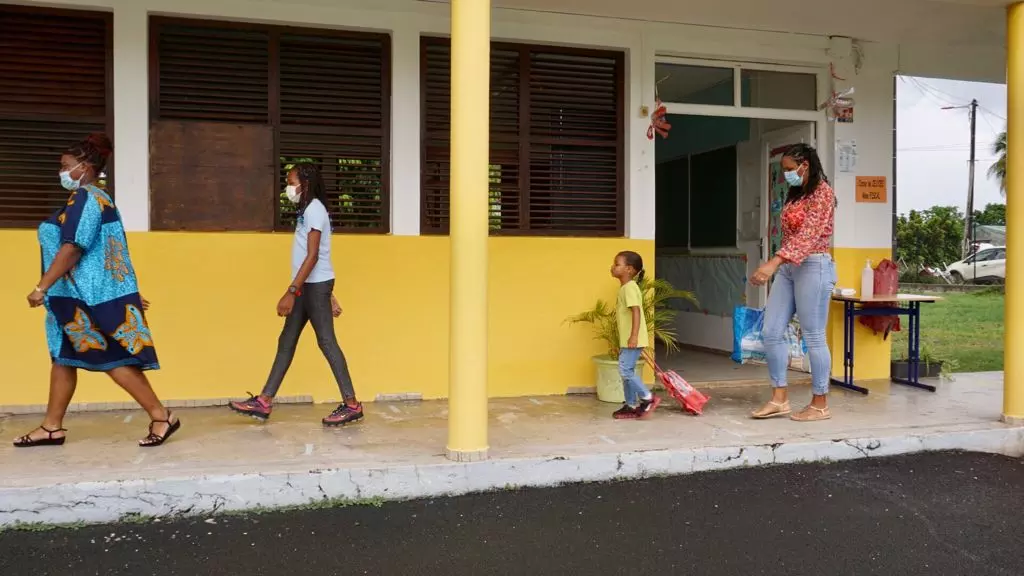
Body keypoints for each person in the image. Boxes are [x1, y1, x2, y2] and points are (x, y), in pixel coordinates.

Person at [14, 133, 180, 448]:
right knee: (64, 358)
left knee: (112, 359)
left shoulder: (86, 198)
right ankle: (51, 427)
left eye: (66, 165)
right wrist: (121, 287)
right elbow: (107, 250)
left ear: (85, 166)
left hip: (84, 298)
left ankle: (162, 416)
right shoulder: (95, 200)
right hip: (72, 297)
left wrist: (41, 286)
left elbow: (73, 247)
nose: (61, 172)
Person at [229, 162, 363, 426]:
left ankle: (352, 405)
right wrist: (324, 293)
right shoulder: (306, 210)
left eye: (291, 182)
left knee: (326, 342)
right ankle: (264, 401)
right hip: (309, 286)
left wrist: (292, 291)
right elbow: (314, 256)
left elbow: (313, 256)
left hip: (311, 287)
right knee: (287, 340)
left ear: (306, 183)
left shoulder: (315, 210)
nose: (288, 187)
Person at [750, 143, 837, 422]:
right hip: (789, 268)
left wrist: (772, 263)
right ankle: (779, 399)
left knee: (814, 336)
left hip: (814, 266)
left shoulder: (823, 193)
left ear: (805, 165)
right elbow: (790, 236)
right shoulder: (796, 194)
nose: (786, 174)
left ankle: (820, 404)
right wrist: (780, 263)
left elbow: (808, 236)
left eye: (789, 169)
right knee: (771, 332)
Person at [610, 251, 661, 420]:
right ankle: (630, 405)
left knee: (625, 370)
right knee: (627, 372)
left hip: (633, 339)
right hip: (629, 339)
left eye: (617, 264)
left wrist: (633, 337)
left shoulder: (630, 288)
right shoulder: (626, 288)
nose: (613, 267)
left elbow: (636, 312)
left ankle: (647, 397)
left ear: (629, 269)